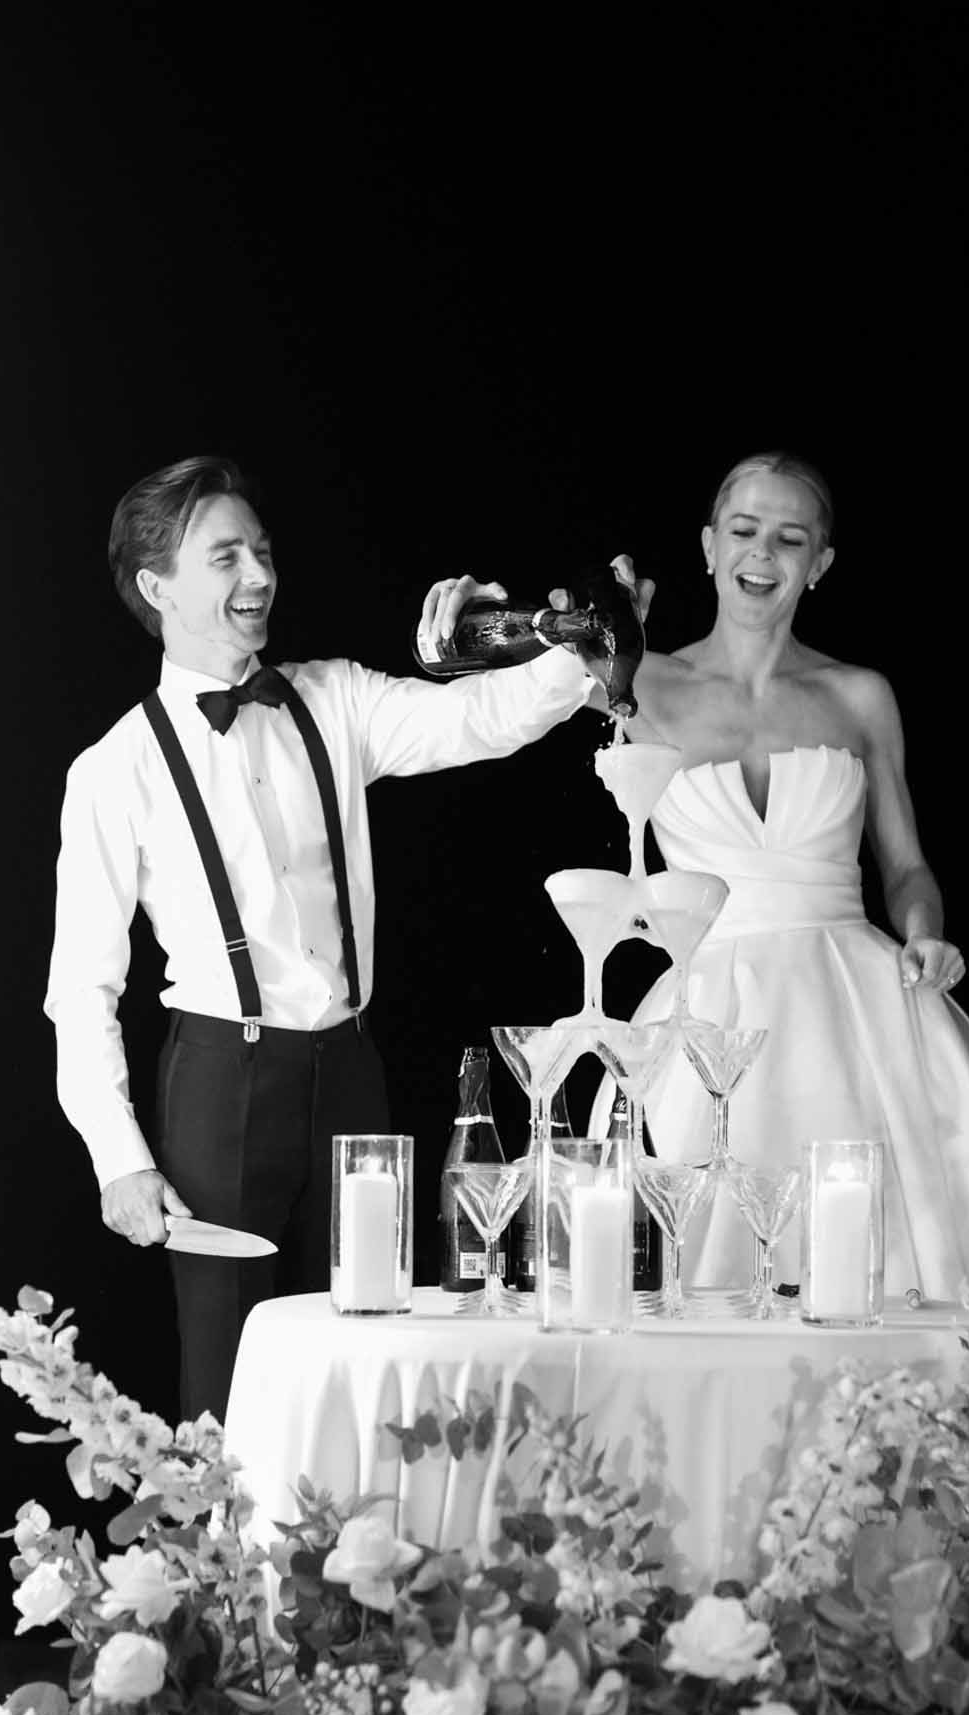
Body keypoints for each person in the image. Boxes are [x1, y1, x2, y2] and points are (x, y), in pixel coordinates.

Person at [590, 448, 969, 1615]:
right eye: (744, 530)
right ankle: (707, 1592)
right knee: (701, 1306)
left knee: (926, 1298)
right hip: (706, 1017)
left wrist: (927, 935)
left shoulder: (860, 696)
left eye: (790, 537)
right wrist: (608, 631)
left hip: (863, 1008)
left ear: (821, 562)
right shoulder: (638, 681)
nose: (762, 555)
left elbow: (907, 867)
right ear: (707, 543)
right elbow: (543, 711)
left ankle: (955, 1594)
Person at [45, 454, 626, 1424]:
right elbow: (80, 989)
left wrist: (594, 640)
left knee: (368, 1345)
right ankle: (228, 1576)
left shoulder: (333, 697)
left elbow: (484, 715)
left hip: (350, 1071)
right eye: (225, 556)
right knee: (226, 1375)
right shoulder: (116, 767)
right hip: (219, 1086)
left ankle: (361, 1571)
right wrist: (120, 1158)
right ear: (158, 586)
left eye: (262, 550)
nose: (259, 575)